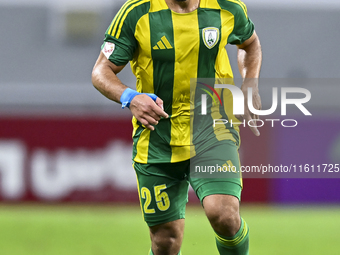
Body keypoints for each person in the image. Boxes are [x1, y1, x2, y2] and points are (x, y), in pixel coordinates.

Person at [92, 0, 262, 254]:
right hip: (157, 136)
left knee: (224, 215)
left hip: (213, 129)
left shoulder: (227, 7)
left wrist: (250, 81)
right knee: (165, 241)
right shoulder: (136, 12)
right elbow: (100, 71)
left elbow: (249, 44)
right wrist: (129, 97)